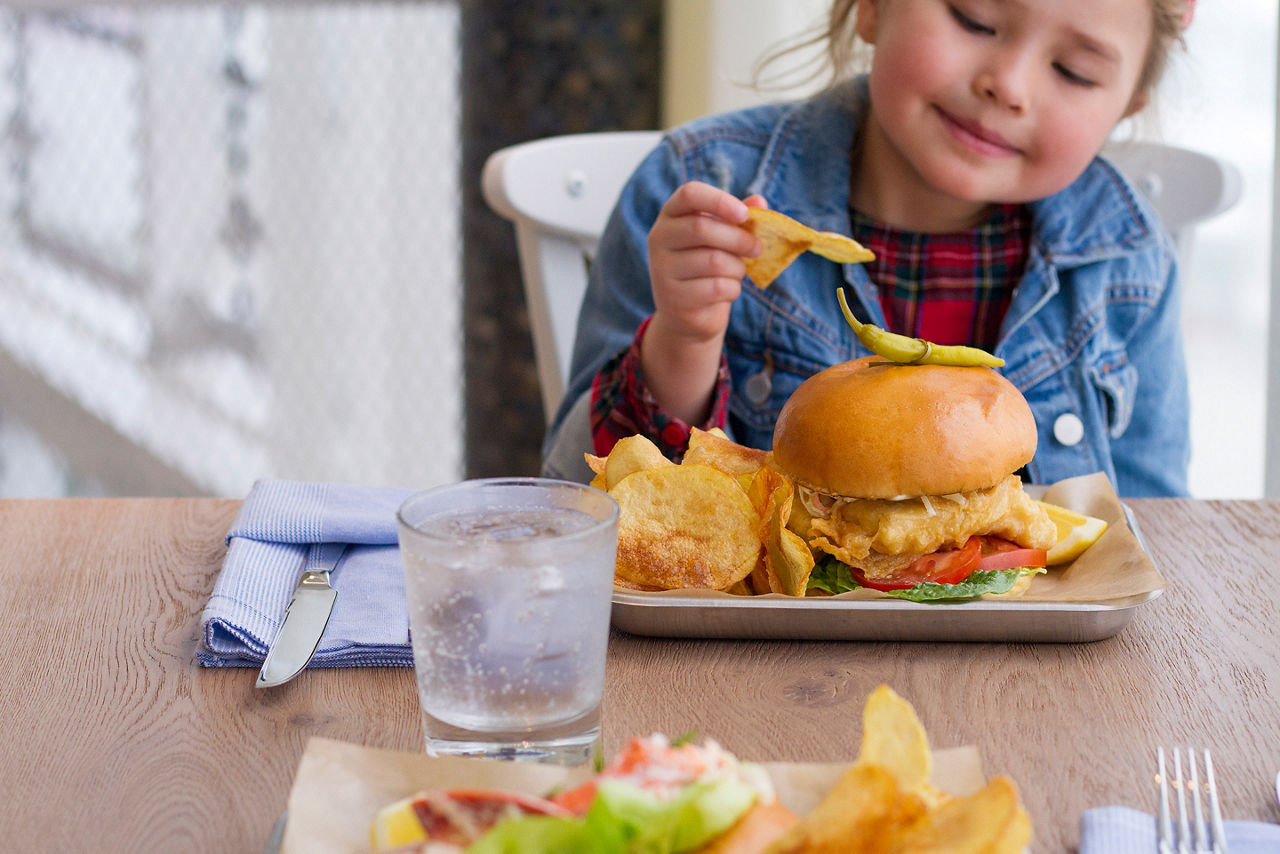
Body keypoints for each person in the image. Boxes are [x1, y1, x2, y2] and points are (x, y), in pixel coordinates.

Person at [543, 0, 1196, 498]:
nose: (1010, 85)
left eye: (1074, 72)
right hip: (757, 665)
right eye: (973, 18)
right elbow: (577, 501)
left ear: (1127, 104)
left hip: (1030, 669)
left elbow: (1154, 536)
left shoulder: (1129, 256)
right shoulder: (701, 190)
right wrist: (683, 339)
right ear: (873, 6)